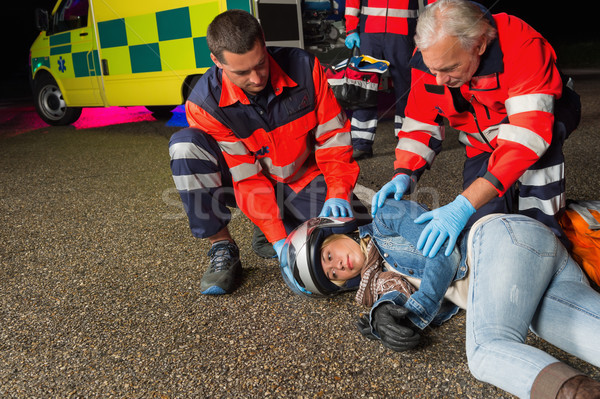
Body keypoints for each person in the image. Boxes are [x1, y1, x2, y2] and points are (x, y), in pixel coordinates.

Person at [280, 200, 600, 398]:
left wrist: (418, 311)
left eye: (328, 255)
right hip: (533, 270)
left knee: (487, 350)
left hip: (500, 239)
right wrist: (384, 313)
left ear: (333, 232)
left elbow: (444, 252)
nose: (338, 265)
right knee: (561, 327)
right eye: (332, 274)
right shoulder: (380, 277)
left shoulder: (386, 218)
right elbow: (395, 292)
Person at [169, 10, 367, 295]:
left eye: (261, 63)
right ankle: (222, 245)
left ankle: (274, 222)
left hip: (300, 177)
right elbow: (247, 176)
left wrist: (338, 192)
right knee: (185, 146)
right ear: (217, 62)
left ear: (264, 42)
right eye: (242, 72)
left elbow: (334, 140)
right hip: (239, 182)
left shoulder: (306, 69)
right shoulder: (205, 104)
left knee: (358, 235)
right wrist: (279, 238)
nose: (257, 77)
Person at [371, 0, 581, 258]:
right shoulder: (432, 55)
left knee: (536, 192)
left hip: (541, 120)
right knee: (481, 226)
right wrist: (405, 172)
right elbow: (419, 123)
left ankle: (548, 244)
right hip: (483, 138)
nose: (438, 80)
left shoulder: (521, 43)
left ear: (479, 45)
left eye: (450, 69)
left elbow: (527, 138)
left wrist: (464, 203)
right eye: (433, 69)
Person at [343, 0, 434, 159]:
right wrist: (351, 29)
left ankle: (407, 138)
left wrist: (433, 29)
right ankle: (361, 143)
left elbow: (432, 3)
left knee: (406, 87)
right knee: (365, 87)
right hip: (370, 34)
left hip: (403, 32)